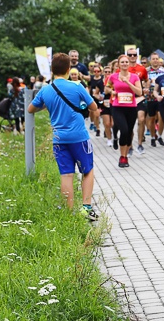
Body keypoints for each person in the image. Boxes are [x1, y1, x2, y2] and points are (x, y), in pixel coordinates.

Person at [27, 52, 100, 221]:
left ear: (52, 70)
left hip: (59, 139)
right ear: (68, 69)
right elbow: (94, 107)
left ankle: (68, 212)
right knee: (87, 171)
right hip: (79, 137)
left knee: (66, 174)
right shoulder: (77, 86)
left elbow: (31, 109)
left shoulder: (46, 90)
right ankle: (86, 208)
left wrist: (47, 106)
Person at [105, 54, 143, 167]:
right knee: (124, 130)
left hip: (131, 107)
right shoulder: (113, 76)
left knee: (129, 132)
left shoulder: (134, 77)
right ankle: (122, 156)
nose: (125, 64)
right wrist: (111, 92)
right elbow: (107, 88)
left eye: (126, 62)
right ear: (119, 64)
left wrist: (127, 82)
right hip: (118, 107)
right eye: (122, 62)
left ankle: (126, 156)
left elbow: (139, 92)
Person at [145, 52, 164, 148]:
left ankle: (160, 135)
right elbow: (143, 83)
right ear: (150, 60)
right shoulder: (146, 71)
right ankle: (153, 137)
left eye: (157, 59)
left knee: (162, 117)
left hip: (161, 95)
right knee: (152, 118)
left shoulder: (163, 71)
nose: (155, 60)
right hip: (150, 96)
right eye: (153, 59)